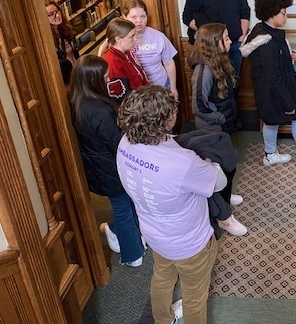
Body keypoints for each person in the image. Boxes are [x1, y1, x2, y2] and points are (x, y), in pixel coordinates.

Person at [116, 85, 227, 324]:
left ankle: (162, 320)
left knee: (162, 278)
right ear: (166, 121)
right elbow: (218, 182)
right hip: (191, 243)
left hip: (154, 235)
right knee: (194, 297)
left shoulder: (124, 143)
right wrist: (210, 163)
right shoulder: (183, 162)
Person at [68, 54, 145, 267]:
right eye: (105, 76)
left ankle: (114, 229)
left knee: (124, 204)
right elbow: (118, 143)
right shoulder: (100, 110)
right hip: (111, 167)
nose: (109, 79)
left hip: (95, 166)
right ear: (94, 79)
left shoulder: (73, 100)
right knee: (123, 206)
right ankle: (132, 255)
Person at [240, 0, 296, 169]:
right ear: (271, 14)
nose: (286, 16)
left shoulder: (264, 30)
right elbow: (273, 75)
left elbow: (277, 58)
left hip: (271, 88)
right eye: (283, 13)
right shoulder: (266, 39)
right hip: (276, 88)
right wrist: (288, 103)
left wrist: (289, 55)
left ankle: (271, 155)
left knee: (272, 120)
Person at [187, 22, 246, 236]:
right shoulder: (203, 71)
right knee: (220, 170)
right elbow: (198, 106)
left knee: (227, 165)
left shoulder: (221, 61)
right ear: (214, 43)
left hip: (223, 125)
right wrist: (221, 117)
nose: (230, 41)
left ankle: (225, 199)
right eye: (226, 38)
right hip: (212, 128)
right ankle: (223, 217)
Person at [182, 0, 251, 81]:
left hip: (235, 45)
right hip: (211, 50)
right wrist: (208, 35)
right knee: (215, 85)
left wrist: (242, 36)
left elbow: (245, 11)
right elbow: (187, 17)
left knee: (234, 82)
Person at [123, 0, 179, 100]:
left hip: (161, 86)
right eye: (134, 17)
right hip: (137, 92)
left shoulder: (158, 36)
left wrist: (173, 87)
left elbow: (169, 63)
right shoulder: (121, 40)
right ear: (125, 17)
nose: (139, 21)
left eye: (143, 16)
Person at [101, 17, 149, 102]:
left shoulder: (127, 51)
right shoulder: (113, 64)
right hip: (136, 107)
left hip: (144, 99)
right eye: (131, 36)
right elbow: (123, 99)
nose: (135, 39)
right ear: (118, 39)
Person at [46, 0, 79, 84]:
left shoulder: (65, 29)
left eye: (57, 11)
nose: (57, 15)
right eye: (51, 14)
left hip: (77, 71)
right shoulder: (48, 41)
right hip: (66, 79)